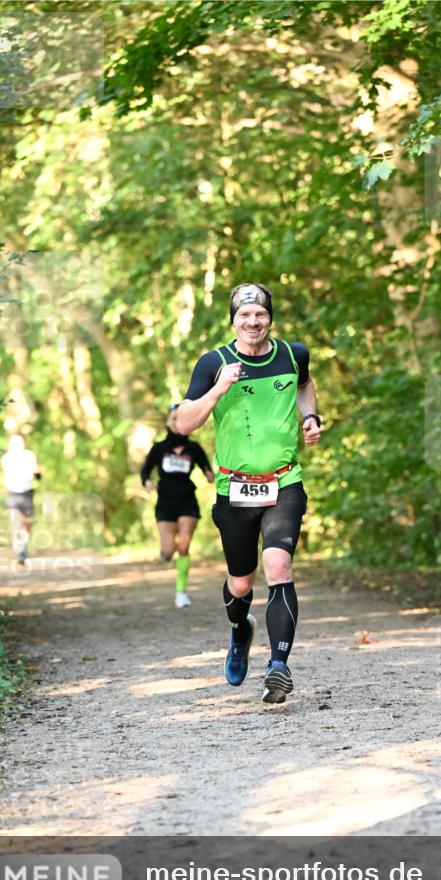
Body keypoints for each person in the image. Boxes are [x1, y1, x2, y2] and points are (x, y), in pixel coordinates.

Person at [176, 282, 322, 704]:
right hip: (234, 490)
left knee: (278, 565)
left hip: (284, 483)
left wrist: (309, 416)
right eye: (244, 316)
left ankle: (279, 666)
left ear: (269, 318)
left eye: (260, 314)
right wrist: (219, 388)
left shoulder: (293, 354)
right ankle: (240, 632)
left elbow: (304, 384)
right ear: (233, 320)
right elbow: (185, 423)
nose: (253, 322)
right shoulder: (213, 362)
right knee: (241, 584)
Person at [141, 404, 214, 608]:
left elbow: (207, 470)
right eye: (173, 419)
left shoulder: (194, 448)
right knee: (168, 551)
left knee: (184, 545)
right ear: (167, 422)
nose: (176, 423)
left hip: (187, 500)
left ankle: (181, 592)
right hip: (165, 502)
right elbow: (145, 472)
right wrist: (147, 482)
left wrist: (210, 475)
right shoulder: (159, 448)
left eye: (180, 419)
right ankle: (165, 553)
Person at [0, 434, 40, 565]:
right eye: (15, 442)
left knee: (27, 523)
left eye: (20, 441)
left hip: (27, 492)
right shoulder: (6, 458)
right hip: (12, 493)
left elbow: (35, 471)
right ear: (10, 444)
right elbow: (7, 476)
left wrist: (37, 473)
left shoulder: (30, 455)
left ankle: (22, 544)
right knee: (16, 520)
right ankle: (21, 552)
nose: (18, 444)